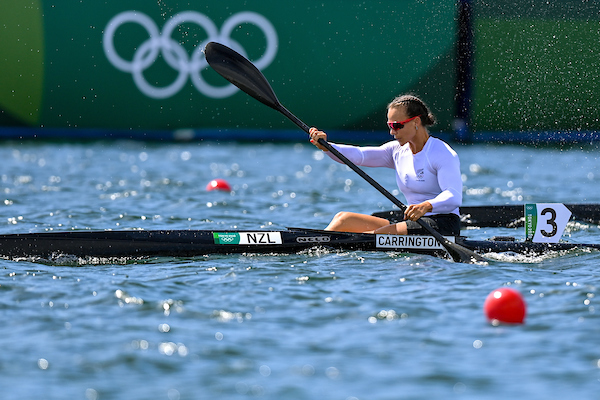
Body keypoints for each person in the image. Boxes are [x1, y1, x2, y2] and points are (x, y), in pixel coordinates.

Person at [308, 94, 462, 236]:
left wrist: (426, 206)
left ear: (416, 122)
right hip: (413, 222)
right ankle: (314, 246)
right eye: (390, 126)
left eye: (397, 126)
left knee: (377, 235)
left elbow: (454, 196)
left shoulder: (441, 153)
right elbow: (359, 155)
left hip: (442, 224)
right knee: (343, 219)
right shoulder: (397, 151)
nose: (392, 132)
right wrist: (326, 146)